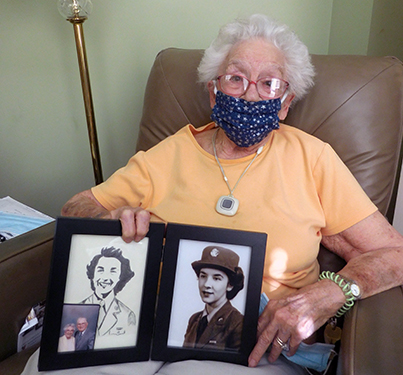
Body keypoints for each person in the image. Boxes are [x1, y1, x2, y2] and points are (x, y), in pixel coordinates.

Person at [53, 13, 403, 373]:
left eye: (268, 83)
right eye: (236, 79)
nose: (250, 94)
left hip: (258, 342)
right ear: (213, 90)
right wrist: (110, 217)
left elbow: (395, 254)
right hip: (150, 324)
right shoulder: (170, 153)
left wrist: (332, 292)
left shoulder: (312, 159)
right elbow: (76, 207)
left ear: (285, 102)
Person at [183, 246, 244, 350]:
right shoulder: (194, 319)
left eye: (216, 278)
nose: (207, 284)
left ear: (230, 285)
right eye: (203, 276)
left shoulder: (237, 323)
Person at [82, 246, 136, 336]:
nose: (105, 278)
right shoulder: (76, 309)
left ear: (120, 277)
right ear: (93, 274)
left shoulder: (127, 315)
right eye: (100, 270)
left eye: (113, 271)